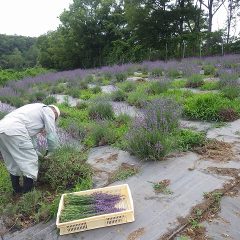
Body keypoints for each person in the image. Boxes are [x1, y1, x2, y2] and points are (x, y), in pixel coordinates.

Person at [0, 103, 60, 195]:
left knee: (12, 162)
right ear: (54, 113)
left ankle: (16, 191)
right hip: (16, 130)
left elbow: (31, 141)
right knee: (30, 161)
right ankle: (27, 194)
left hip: (2, 129)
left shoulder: (34, 109)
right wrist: (52, 151)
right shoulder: (48, 110)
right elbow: (51, 134)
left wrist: (38, 154)